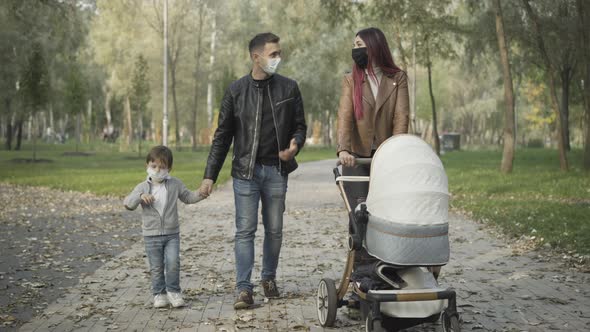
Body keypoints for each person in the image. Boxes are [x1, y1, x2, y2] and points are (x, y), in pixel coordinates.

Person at [198, 32, 307, 310]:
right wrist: (210, 175)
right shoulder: (235, 91)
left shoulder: (289, 88)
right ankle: (244, 289)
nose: (278, 59)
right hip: (245, 174)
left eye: (279, 53)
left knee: (275, 230)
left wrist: (295, 145)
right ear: (255, 57)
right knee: (244, 231)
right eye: (273, 54)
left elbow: (299, 126)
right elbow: (222, 136)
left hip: (276, 171)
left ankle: (268, 279)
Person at [336, 27, 410, 317]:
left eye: (359, 44)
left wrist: (397, 151)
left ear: (374, 46)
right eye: (353, 44)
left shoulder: (397, 78)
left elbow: (401, 117)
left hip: (386, 159)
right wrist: (344, 148)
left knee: (388, 218)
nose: (355, 49)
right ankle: (360, 284)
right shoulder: (350, 79)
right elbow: (344, 116)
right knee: (360, 219)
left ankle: (388, 277)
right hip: (356, 159)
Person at [124, 145, 206, 308]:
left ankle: (174, 292)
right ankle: (159, 294)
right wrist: (140, 196)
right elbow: (128, 203)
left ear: (169, 168)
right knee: (156, 266)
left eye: (162, 167)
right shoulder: (142, 187)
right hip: (151, 235)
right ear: (147, 165)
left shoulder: (175, 184)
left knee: (173, 262)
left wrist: (201, 194)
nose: (157, 170)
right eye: (154, 166)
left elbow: (188, 197)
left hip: (171, 234)